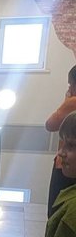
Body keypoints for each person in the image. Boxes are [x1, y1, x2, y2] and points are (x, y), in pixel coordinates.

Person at [45, 65, 76, 218]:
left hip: (66, 164)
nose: (69, 88)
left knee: (56, 210)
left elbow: (50, 124)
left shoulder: (73, 102)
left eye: (70, 84)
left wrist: (67, 100)